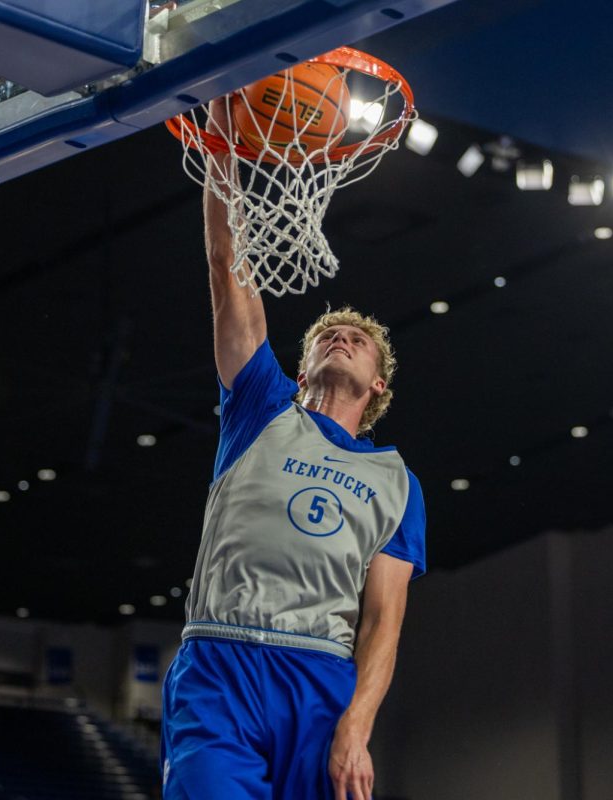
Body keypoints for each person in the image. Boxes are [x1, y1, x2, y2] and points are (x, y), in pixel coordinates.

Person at [159, 99, 426, 800]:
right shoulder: (261, 407)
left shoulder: (396, 482)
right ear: (301, 370)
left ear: (378, 385)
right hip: (221, 662)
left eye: (359, 340)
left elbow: (383, 622)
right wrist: (219, 138)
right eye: (326, 336)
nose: (342, 337)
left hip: (321, 680)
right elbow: (227, 267)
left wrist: (358, 725)